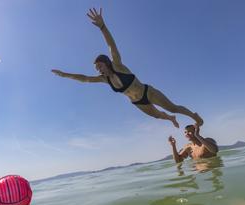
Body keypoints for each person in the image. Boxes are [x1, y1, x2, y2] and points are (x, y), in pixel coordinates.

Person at [51, 8, 203, 128]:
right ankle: (171, 119)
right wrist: (64, 75)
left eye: (99, 65)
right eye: (96, 68)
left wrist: (102, 27)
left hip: (147, 92)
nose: (98, 69)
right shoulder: (104, 79)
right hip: (138, 102)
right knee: (158, 116)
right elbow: (84, 79)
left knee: (173, 107)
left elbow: (111, 46)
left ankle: (193, 116)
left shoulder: (118, 65)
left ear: (106, 62)